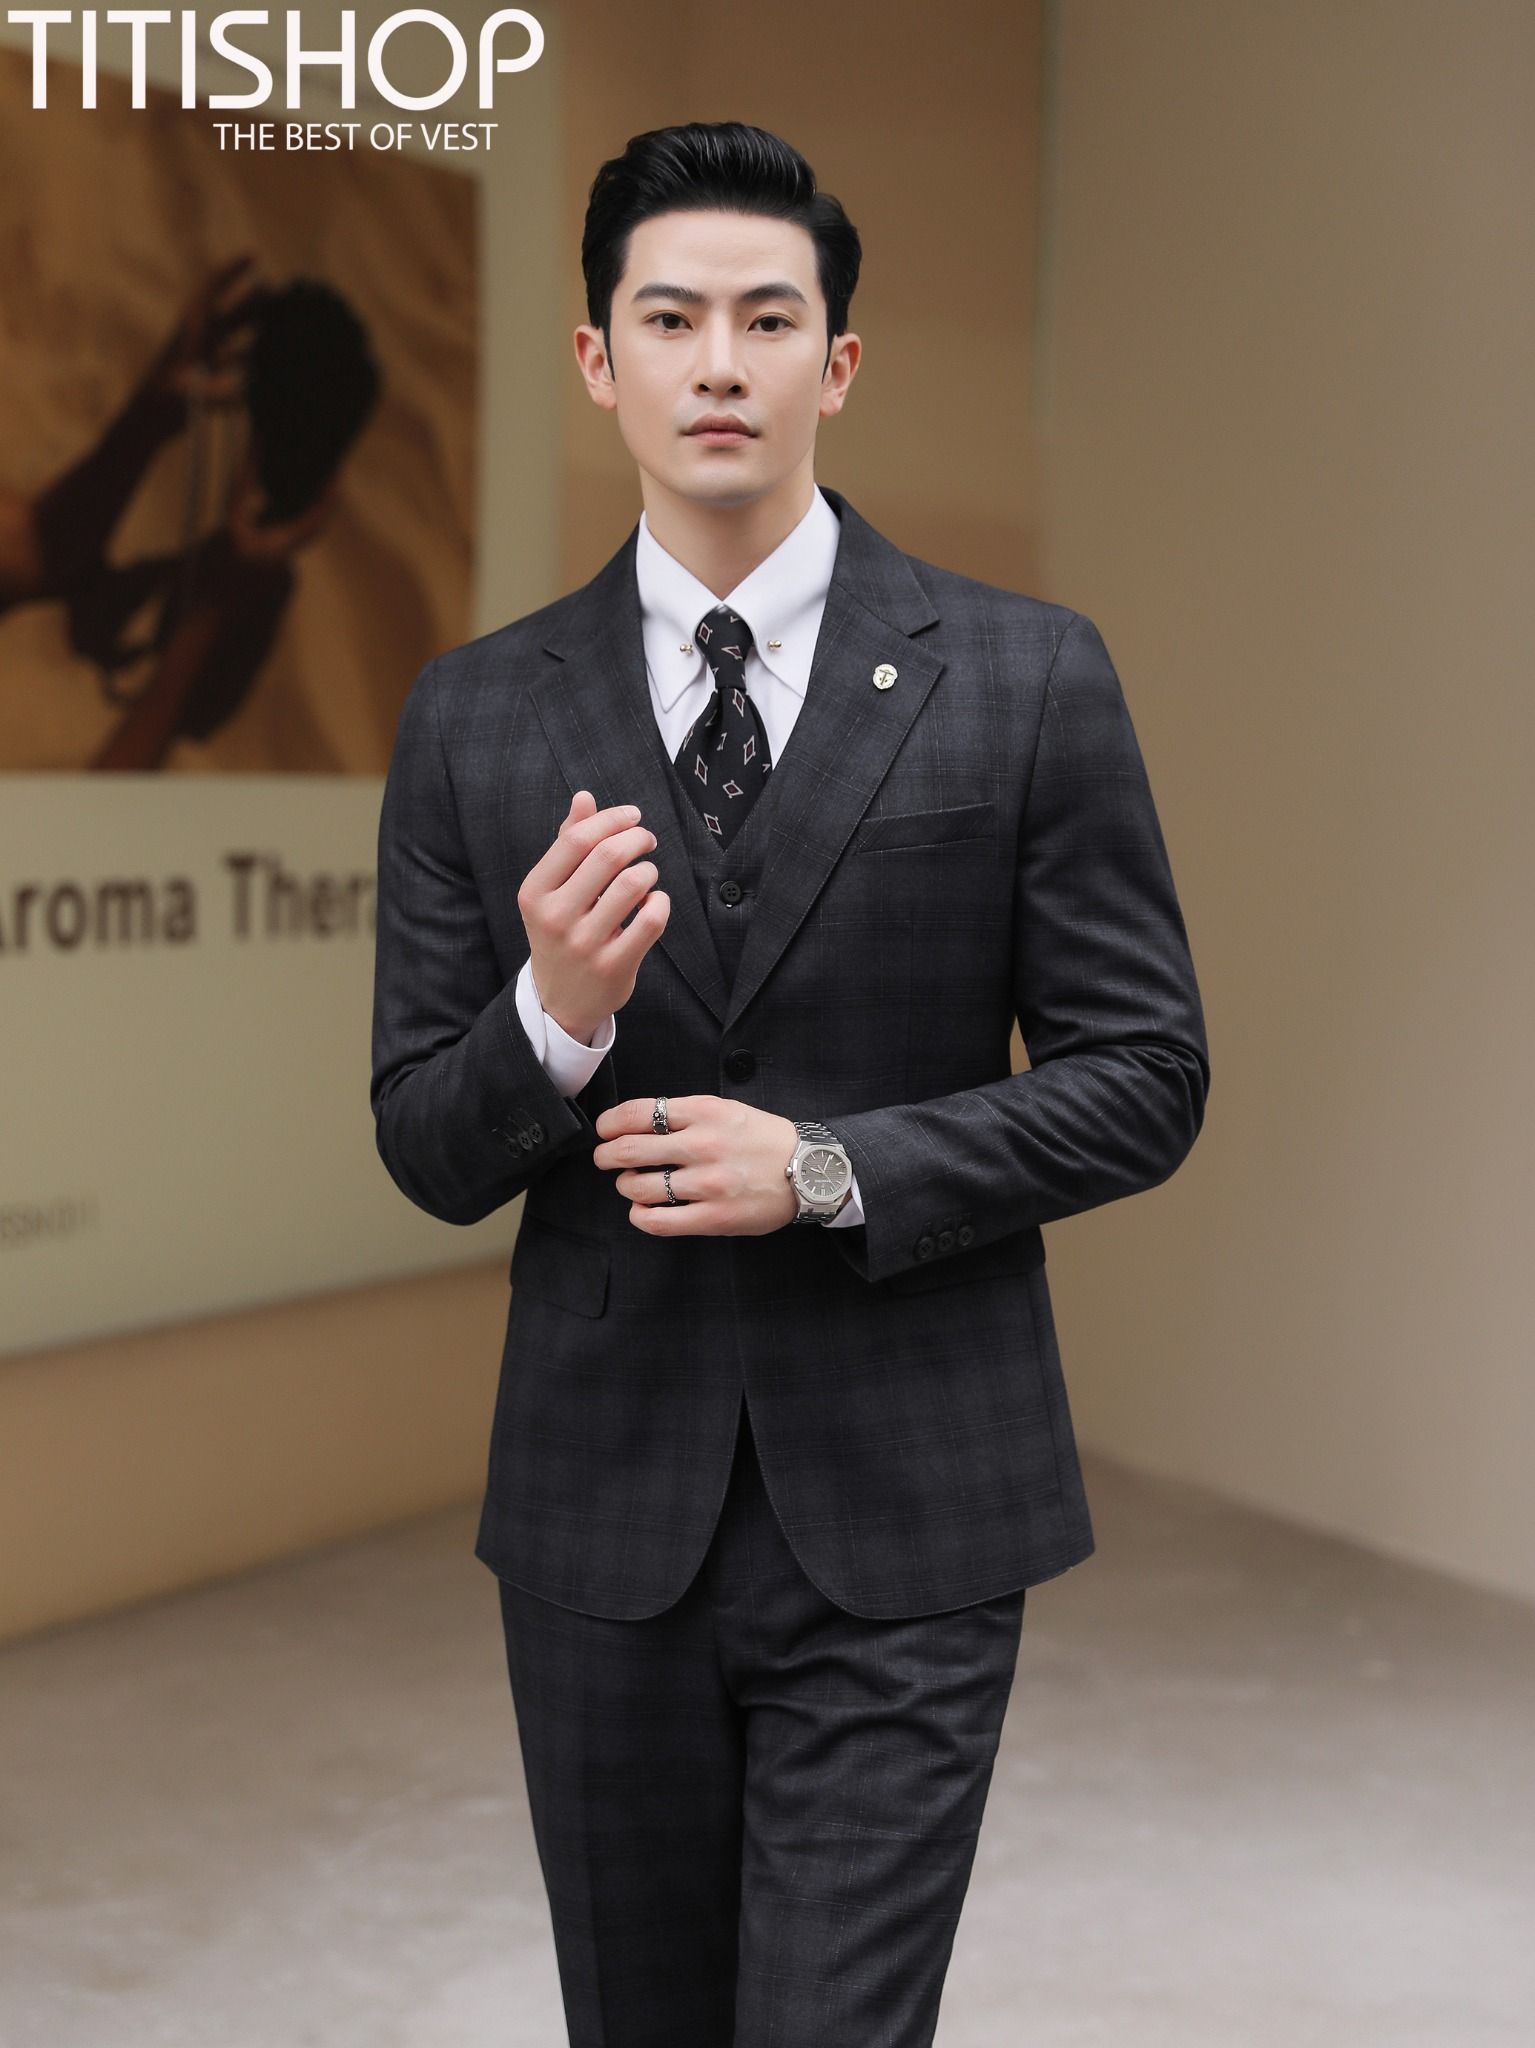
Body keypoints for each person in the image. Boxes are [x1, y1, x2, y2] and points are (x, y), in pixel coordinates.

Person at [370, 120, 1209, 2048]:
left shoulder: (1030, 677)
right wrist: (554, 1013)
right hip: (601, 1518)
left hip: (916, 1505)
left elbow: (1147, 1074)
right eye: (671, 320)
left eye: (768, 319)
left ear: (839, 362)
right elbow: (424, 1141)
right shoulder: (473, 713)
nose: (720, 364)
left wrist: (830, 1166)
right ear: (600, 361)